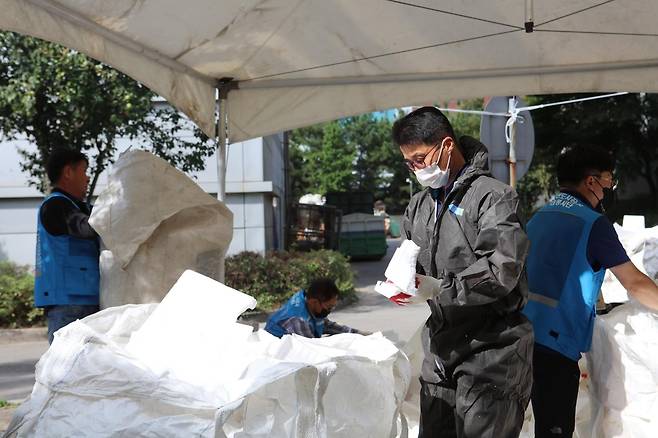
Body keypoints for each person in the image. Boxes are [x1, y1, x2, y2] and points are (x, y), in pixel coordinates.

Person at [391, 107, 533, 438]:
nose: (416, 169)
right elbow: (411, 261)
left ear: (447, 145)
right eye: (408, 163)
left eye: (420, 158)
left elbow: (503, 268)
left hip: (492, 349)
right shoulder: (420, 206)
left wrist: (441, 288)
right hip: (441, 347)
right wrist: (402, 283)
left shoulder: (493, 196)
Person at [523, 145, 658, 438]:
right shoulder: (592, 223)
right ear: (591, 181)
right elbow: (633, 282)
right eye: (609, 181)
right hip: (556, 345)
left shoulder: (539, 216)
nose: (610, 188)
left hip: (523, 335)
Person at [34, 149, 100, 344]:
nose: (88, 178)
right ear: (68, 173)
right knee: (67, 368)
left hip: (87, 297)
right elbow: (86, 228)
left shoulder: (79, 207)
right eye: (84, 171)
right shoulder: (55, 206)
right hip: (67, 303)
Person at [265, 278, 367, 338]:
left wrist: (357, 333)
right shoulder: (298, 320)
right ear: (314, 302)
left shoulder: (309, 305)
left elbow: (326, 325)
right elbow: (313, 348)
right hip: (276, 356)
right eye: (329, 307)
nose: (330, 311)